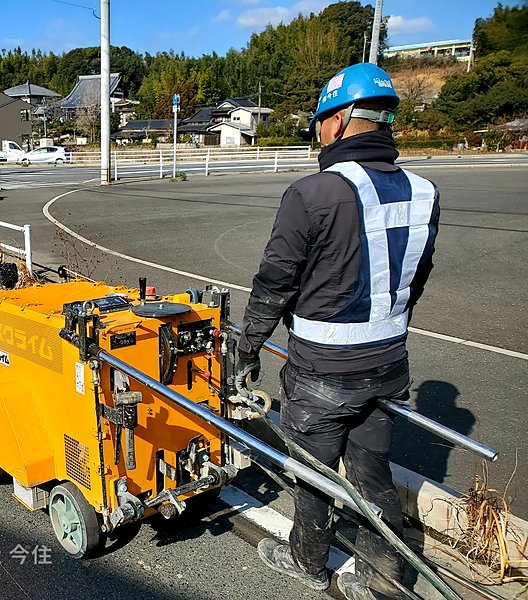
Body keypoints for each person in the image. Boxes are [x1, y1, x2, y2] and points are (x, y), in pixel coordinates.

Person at [237, 62, 439, 600]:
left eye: (323, 119)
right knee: (373, 476)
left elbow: (275, 282)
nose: (319, 130)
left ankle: (307, 561)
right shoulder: (424, 192)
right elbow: (415, 280)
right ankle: (383, 584)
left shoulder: (313, 193)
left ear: (344, 118)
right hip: (389, 365)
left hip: (322, 371)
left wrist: (247, 348)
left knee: (314, 471)